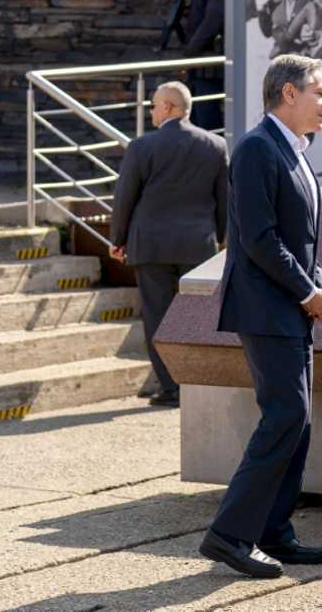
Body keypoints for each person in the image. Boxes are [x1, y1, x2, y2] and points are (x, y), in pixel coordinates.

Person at [199, 54, 322, 579]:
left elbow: (300, 239)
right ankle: (230, 536)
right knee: (284, 417)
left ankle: (274, 532)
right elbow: (259, 239)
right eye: (319, 91)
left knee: (297, 422)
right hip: (266, 308)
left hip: (291, 306)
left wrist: (318, 285)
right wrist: (307, 292)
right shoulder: (258, 148)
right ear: (288, 93)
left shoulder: (295, 151)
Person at [109, 81, 228, 408]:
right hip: (198, 246)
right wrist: (219, 238)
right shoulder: (215, 146)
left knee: (158, 317)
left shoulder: (141, 147)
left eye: (154, 105)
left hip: (151, 246)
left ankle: (171, 387)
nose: (151, 111)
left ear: (169, 108)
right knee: (197, 317)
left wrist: (117, 239)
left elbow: (125, 198)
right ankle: (200, 382)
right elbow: (223, 200)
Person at [183, 0, 226, 132]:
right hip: (199, 65)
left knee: (208, 122)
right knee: (198, 121)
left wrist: (190, 52)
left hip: (210, 65)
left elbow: (212, 22)